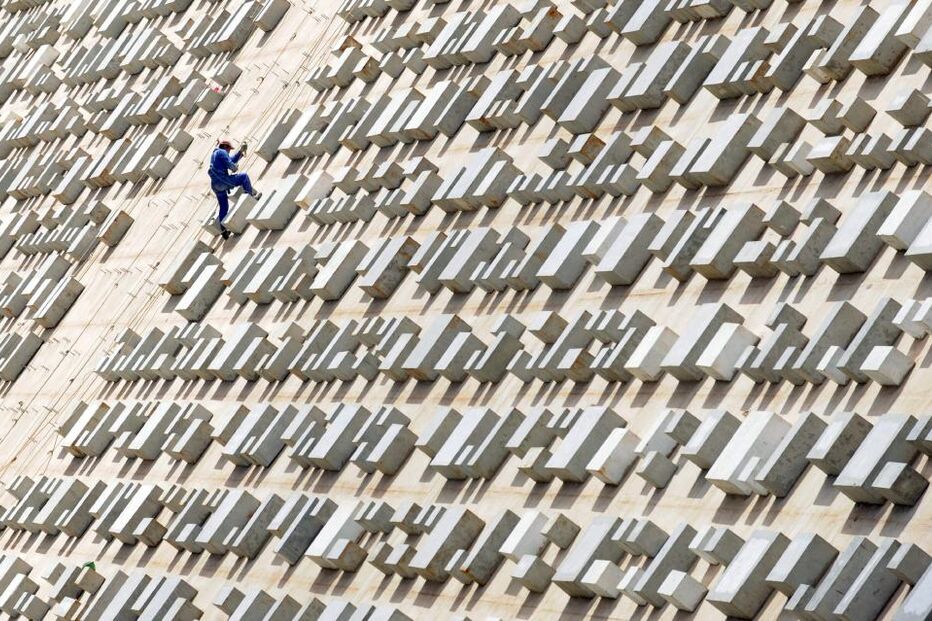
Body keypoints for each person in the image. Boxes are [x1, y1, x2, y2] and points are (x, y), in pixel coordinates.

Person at [209, 140, 261, 239]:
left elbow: (230, 160)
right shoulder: (221, 152)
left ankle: (223, 230)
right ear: (225, 147)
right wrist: (234, 167)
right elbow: (231, 165)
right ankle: (250, 199)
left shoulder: (215, 154)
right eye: (229, 149)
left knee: (223, 206)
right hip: (223, 181)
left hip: (216, 185)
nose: (229, 151)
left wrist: (240, 153)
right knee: (244, 177)